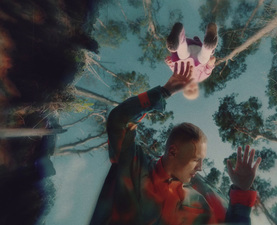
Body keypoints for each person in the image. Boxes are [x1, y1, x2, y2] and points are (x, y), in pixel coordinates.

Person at [90, 61, 262, 225]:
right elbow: (119, 120)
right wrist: (164, 91)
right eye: (196, 159)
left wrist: (242, 191)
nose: (200, 167)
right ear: (173, 152)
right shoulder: (135, 166)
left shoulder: (198, 204)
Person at [164, 22, 218, 100]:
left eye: (189, 90)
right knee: (203, 59)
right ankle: (209, 44)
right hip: (198, 57)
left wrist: (170, 62)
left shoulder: (181, 77)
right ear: (197, 87)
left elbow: (174, 69)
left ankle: (179, 34)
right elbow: (207, 71)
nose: (192, 88)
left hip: (185, 57)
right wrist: (210, 63)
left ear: (183, 88)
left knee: (182, 53)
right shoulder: (200, 78)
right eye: (195, 90)